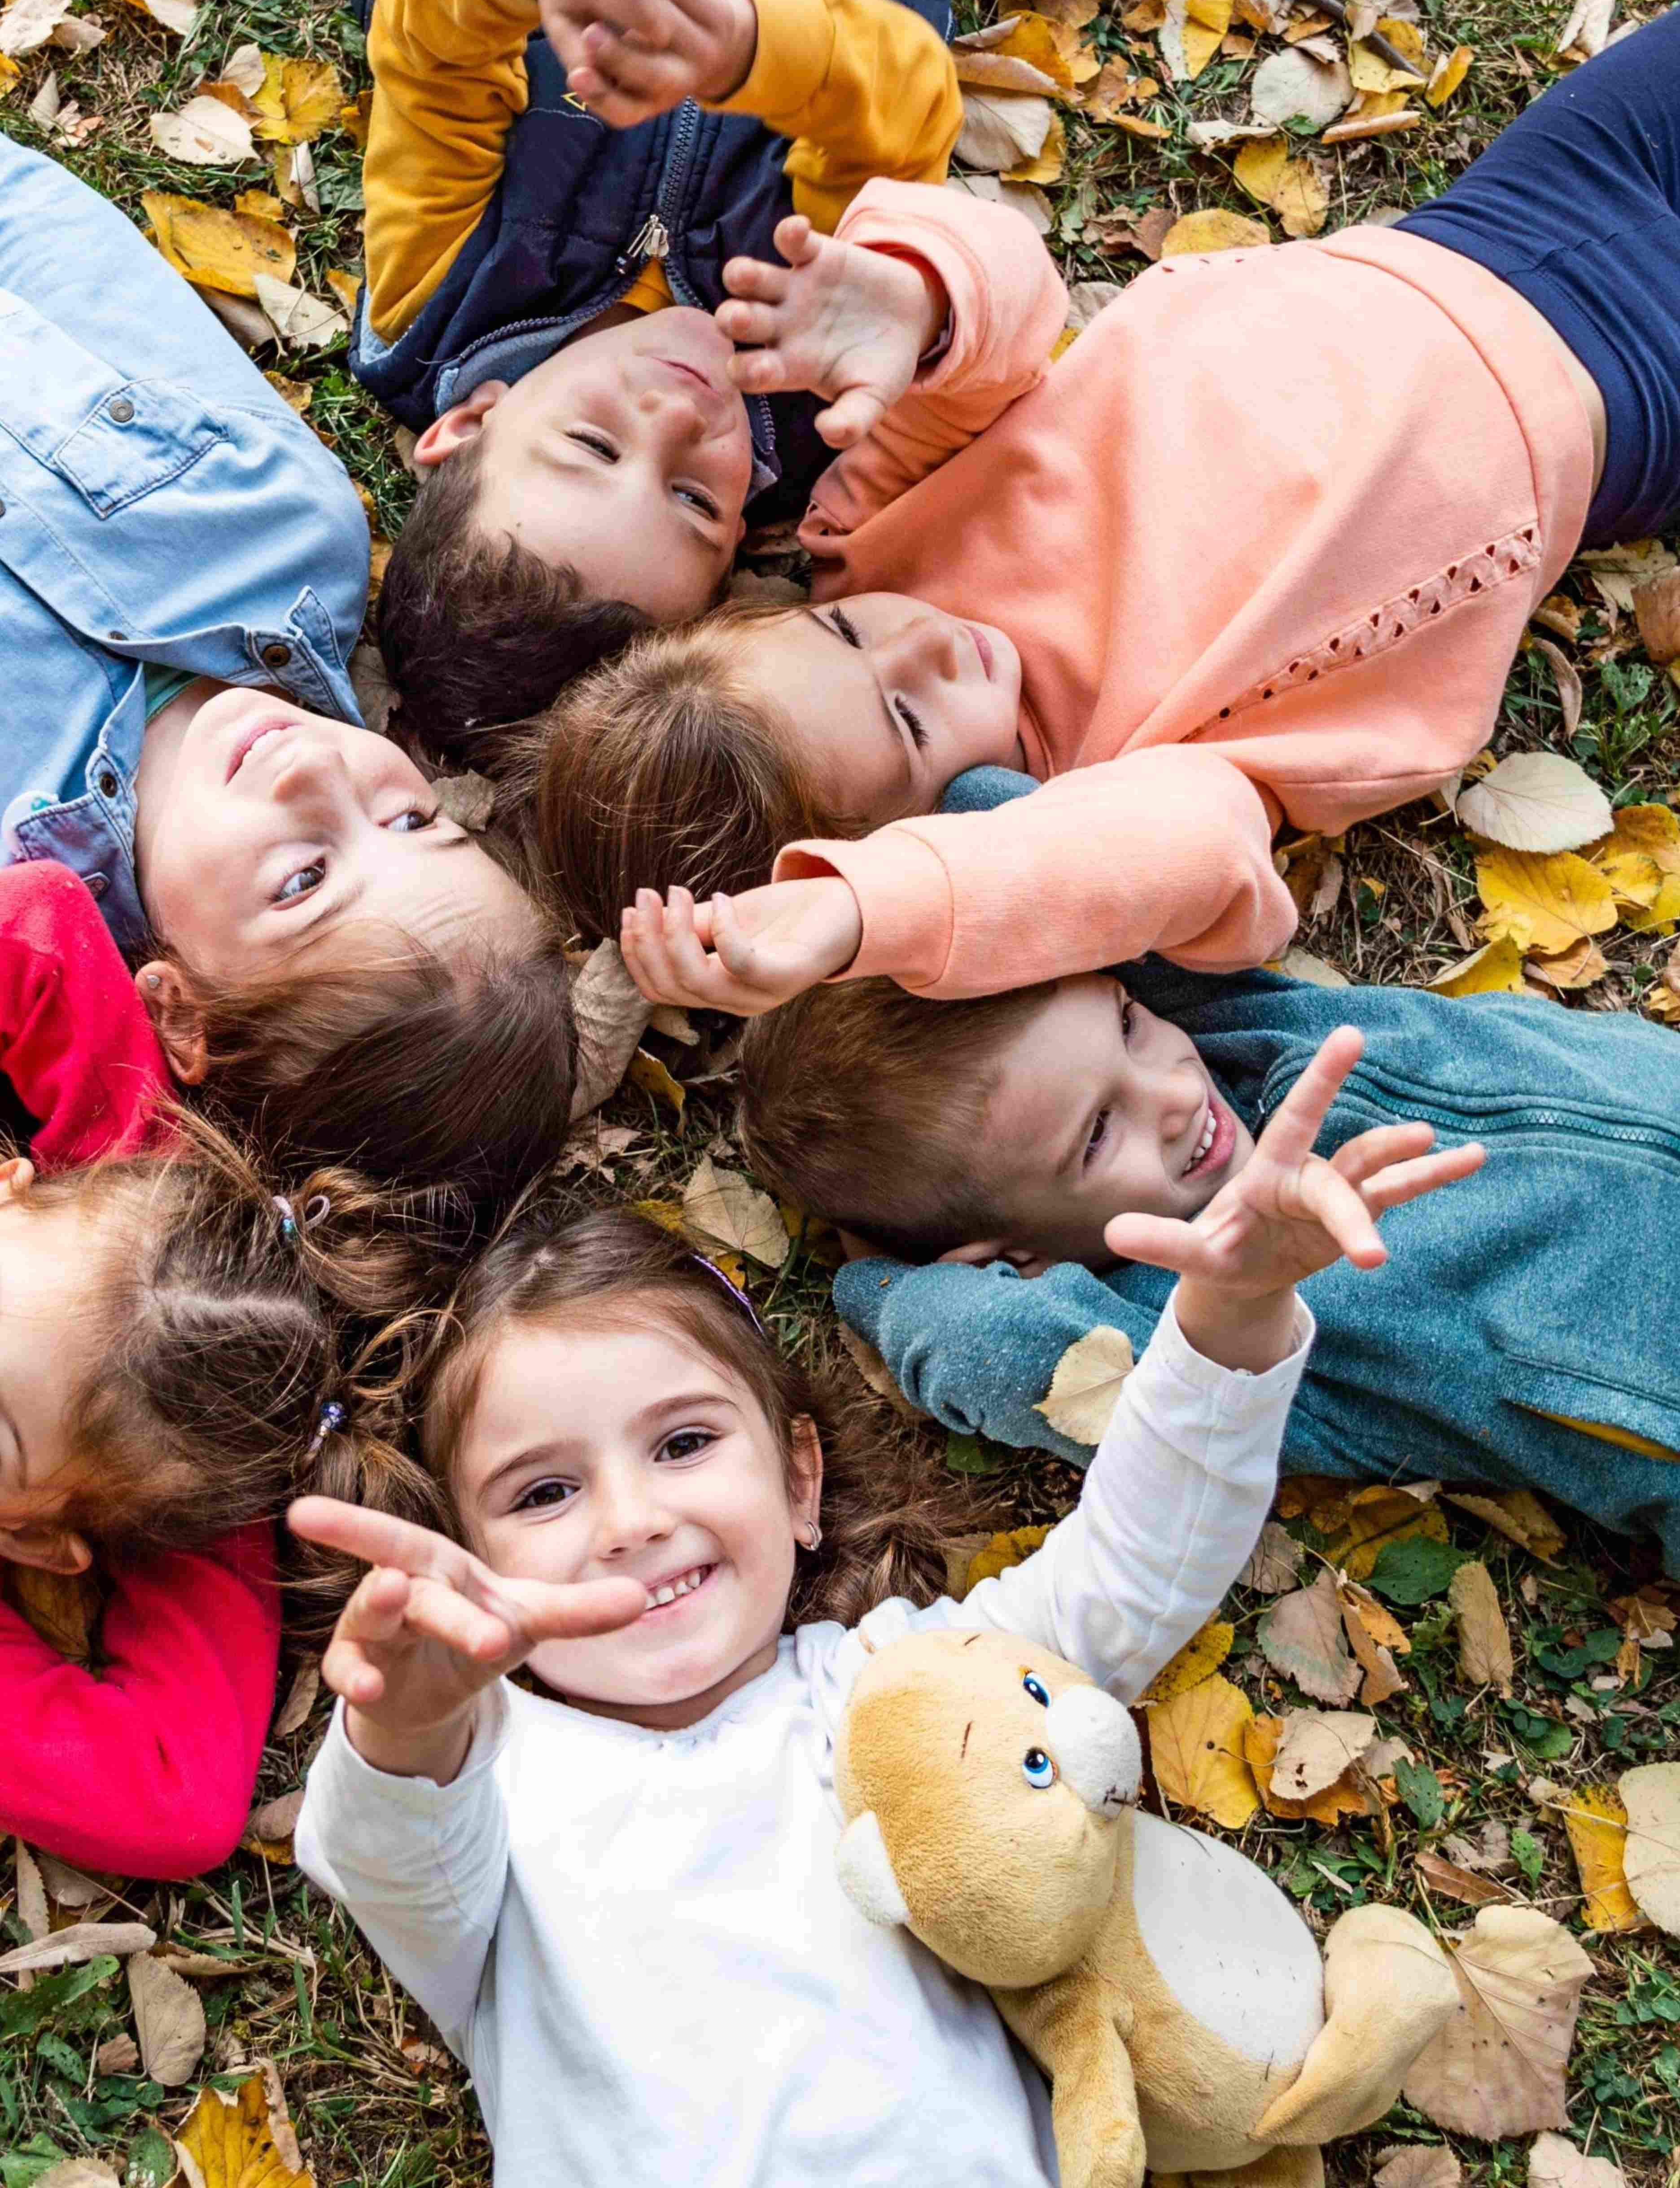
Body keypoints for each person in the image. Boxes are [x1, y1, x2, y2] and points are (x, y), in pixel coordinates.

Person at [291, 1040, 1468, 2188]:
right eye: (544, 1493)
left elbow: (1130, 1572)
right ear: (471, 1554)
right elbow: (382, 1862)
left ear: (799, 1482)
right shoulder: (486, 1787)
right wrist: (407, 1726)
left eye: (685, 1443)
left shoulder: (900, 1686)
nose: (631, 1519)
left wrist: (1234, 1307)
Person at [542, 13, 1680, 1002]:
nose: (922, 645)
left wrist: (923, 303)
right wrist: (863, 916)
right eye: (909, 722)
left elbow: (1010, 320)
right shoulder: (1102, 795)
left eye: (843, 635)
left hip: (1487, 223)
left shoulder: (871, 536)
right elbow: (1196, 860)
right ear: (938, 830)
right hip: (1621, 404)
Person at [730, 764, 1680, 1575]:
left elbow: (1008, 813)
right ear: (1009, 1259)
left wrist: (867, 916)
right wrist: (879, 1282)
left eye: (1128, 1024)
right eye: (1099, 1132)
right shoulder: (1206, 1341)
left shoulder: (1234, 1025)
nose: (1172, 1092)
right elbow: (982, 1342)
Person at [343, 0, 967, 763]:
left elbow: (428, 36)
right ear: (739, 545)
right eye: (691, 498)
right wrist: (749, 49)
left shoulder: (441, 291)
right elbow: (906, 103)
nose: (677, 418)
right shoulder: (815, 378)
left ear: (469, 425)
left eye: (590, 444)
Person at [0, 135, 574, 1203]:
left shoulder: (15, 876)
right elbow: (66, 261)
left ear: (178, 1012)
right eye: (412, 822)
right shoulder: (289, 539)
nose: (325, 779)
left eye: (303, 878)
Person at [0, 862, 447, 1877]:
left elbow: (172, 1794)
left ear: (36, 1536)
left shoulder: (173, 1473)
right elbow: (41, 926)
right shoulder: (118, 1227)